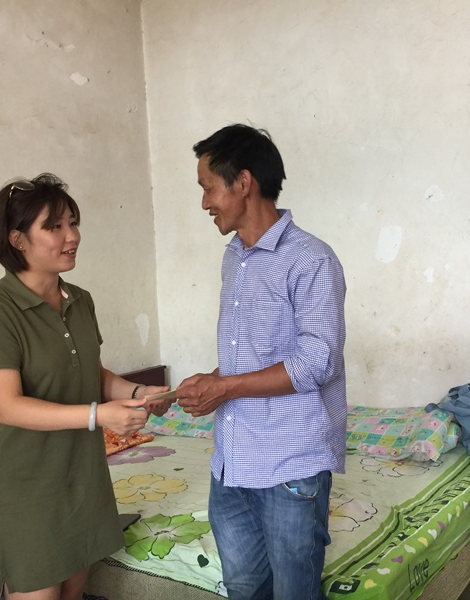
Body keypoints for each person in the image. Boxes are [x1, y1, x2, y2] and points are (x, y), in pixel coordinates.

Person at [0, 173, 173, 600]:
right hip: (29, 487)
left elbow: (92, 375)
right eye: (54, 226)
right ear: (17, 240)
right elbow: (7, 406)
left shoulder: (80, 300)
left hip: (83, 475)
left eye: (73, 223)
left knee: (74, 591)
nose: (72, 236)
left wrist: (139, 394)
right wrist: (99, 415)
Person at [176, 124, 347, 600]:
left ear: (243, 182)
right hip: (231, 466)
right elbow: (250, 357)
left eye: (209, 188)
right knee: (245, 589)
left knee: (294, 593)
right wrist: (211, 381)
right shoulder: (235, 258)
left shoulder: (311, 259)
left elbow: (316, 362)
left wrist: (225, 387)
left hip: (290, 466)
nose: (205, 203)